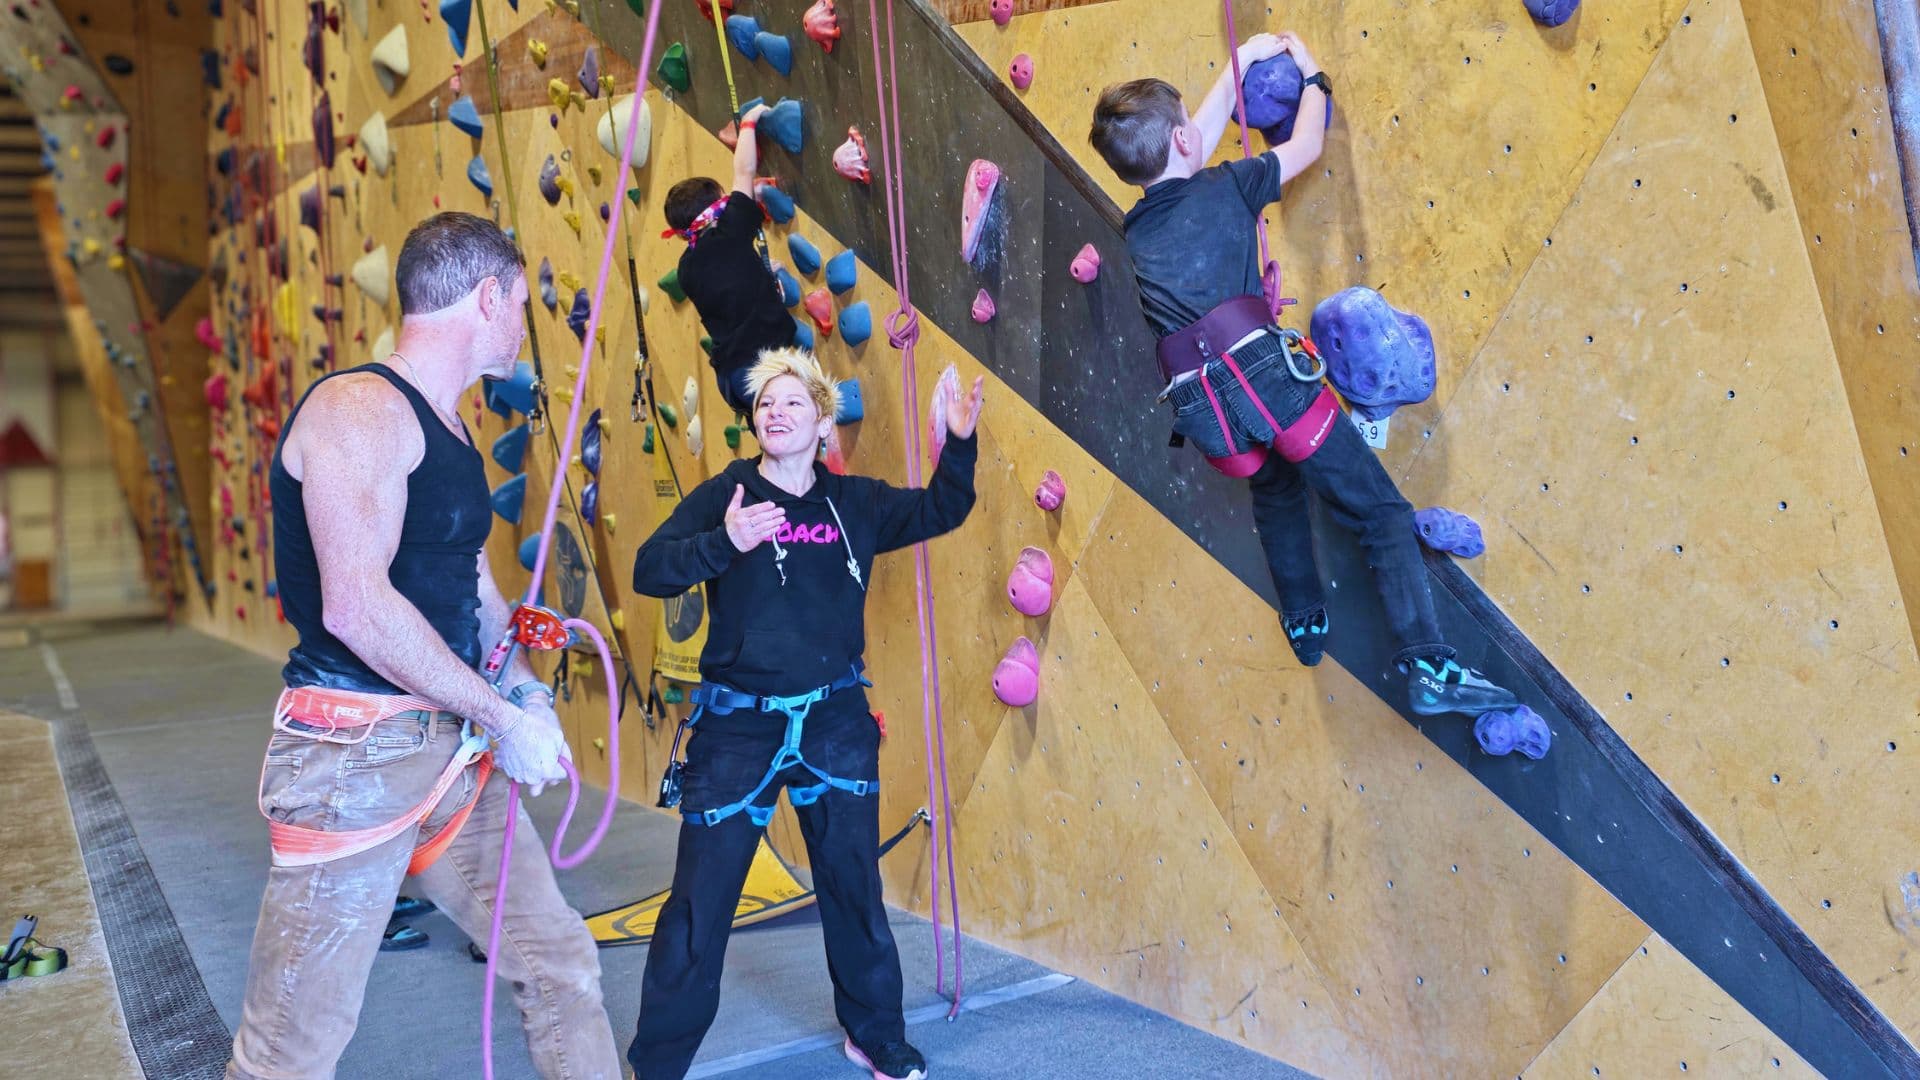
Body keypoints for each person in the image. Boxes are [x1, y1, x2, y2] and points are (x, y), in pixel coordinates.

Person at [227, 212, 620, 1079]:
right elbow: (358, 607)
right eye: (520, 302)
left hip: (447, 752)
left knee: (559, 965)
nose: (524, 321)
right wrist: (497, 716)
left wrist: (521, 691)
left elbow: (469, 587)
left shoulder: (449, 427)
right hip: (353, 761)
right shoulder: (360, 408)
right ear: (489, 297)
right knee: (290, 1047)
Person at [1090, 33, 1519, 717]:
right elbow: (1306, 146)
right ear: (1181, 142)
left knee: (1277, 491)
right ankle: (1431, 665)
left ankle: (1304, 619)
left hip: (1206, 415)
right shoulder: (1230, 184)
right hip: (1267, 379)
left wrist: (1238, 69)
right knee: (1379, 511)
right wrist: (1315, 77)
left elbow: (1181, 145)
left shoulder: (1136, 230)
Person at [627, 348, 983, 1080]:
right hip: (738, 728)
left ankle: (875, 1033)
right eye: (765, 405)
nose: (776, 413)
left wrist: (959, 439)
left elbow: (944, 508)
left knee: (852, 885)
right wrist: (724, 542)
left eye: (793, 402)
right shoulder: (728, 494)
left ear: (823, 421)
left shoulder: (856, 504)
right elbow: (649, 568)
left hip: (834, 724)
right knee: (700, 906)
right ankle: (658, 1065)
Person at [663, 101, 796, 417]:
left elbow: (729, 289)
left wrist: (762, 278)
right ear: (716, 209)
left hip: (732, 377)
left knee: (773, 440)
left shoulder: (686, 269)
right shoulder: (731, 230)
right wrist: (749, 123)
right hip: (762, 367)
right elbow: (744, 170)